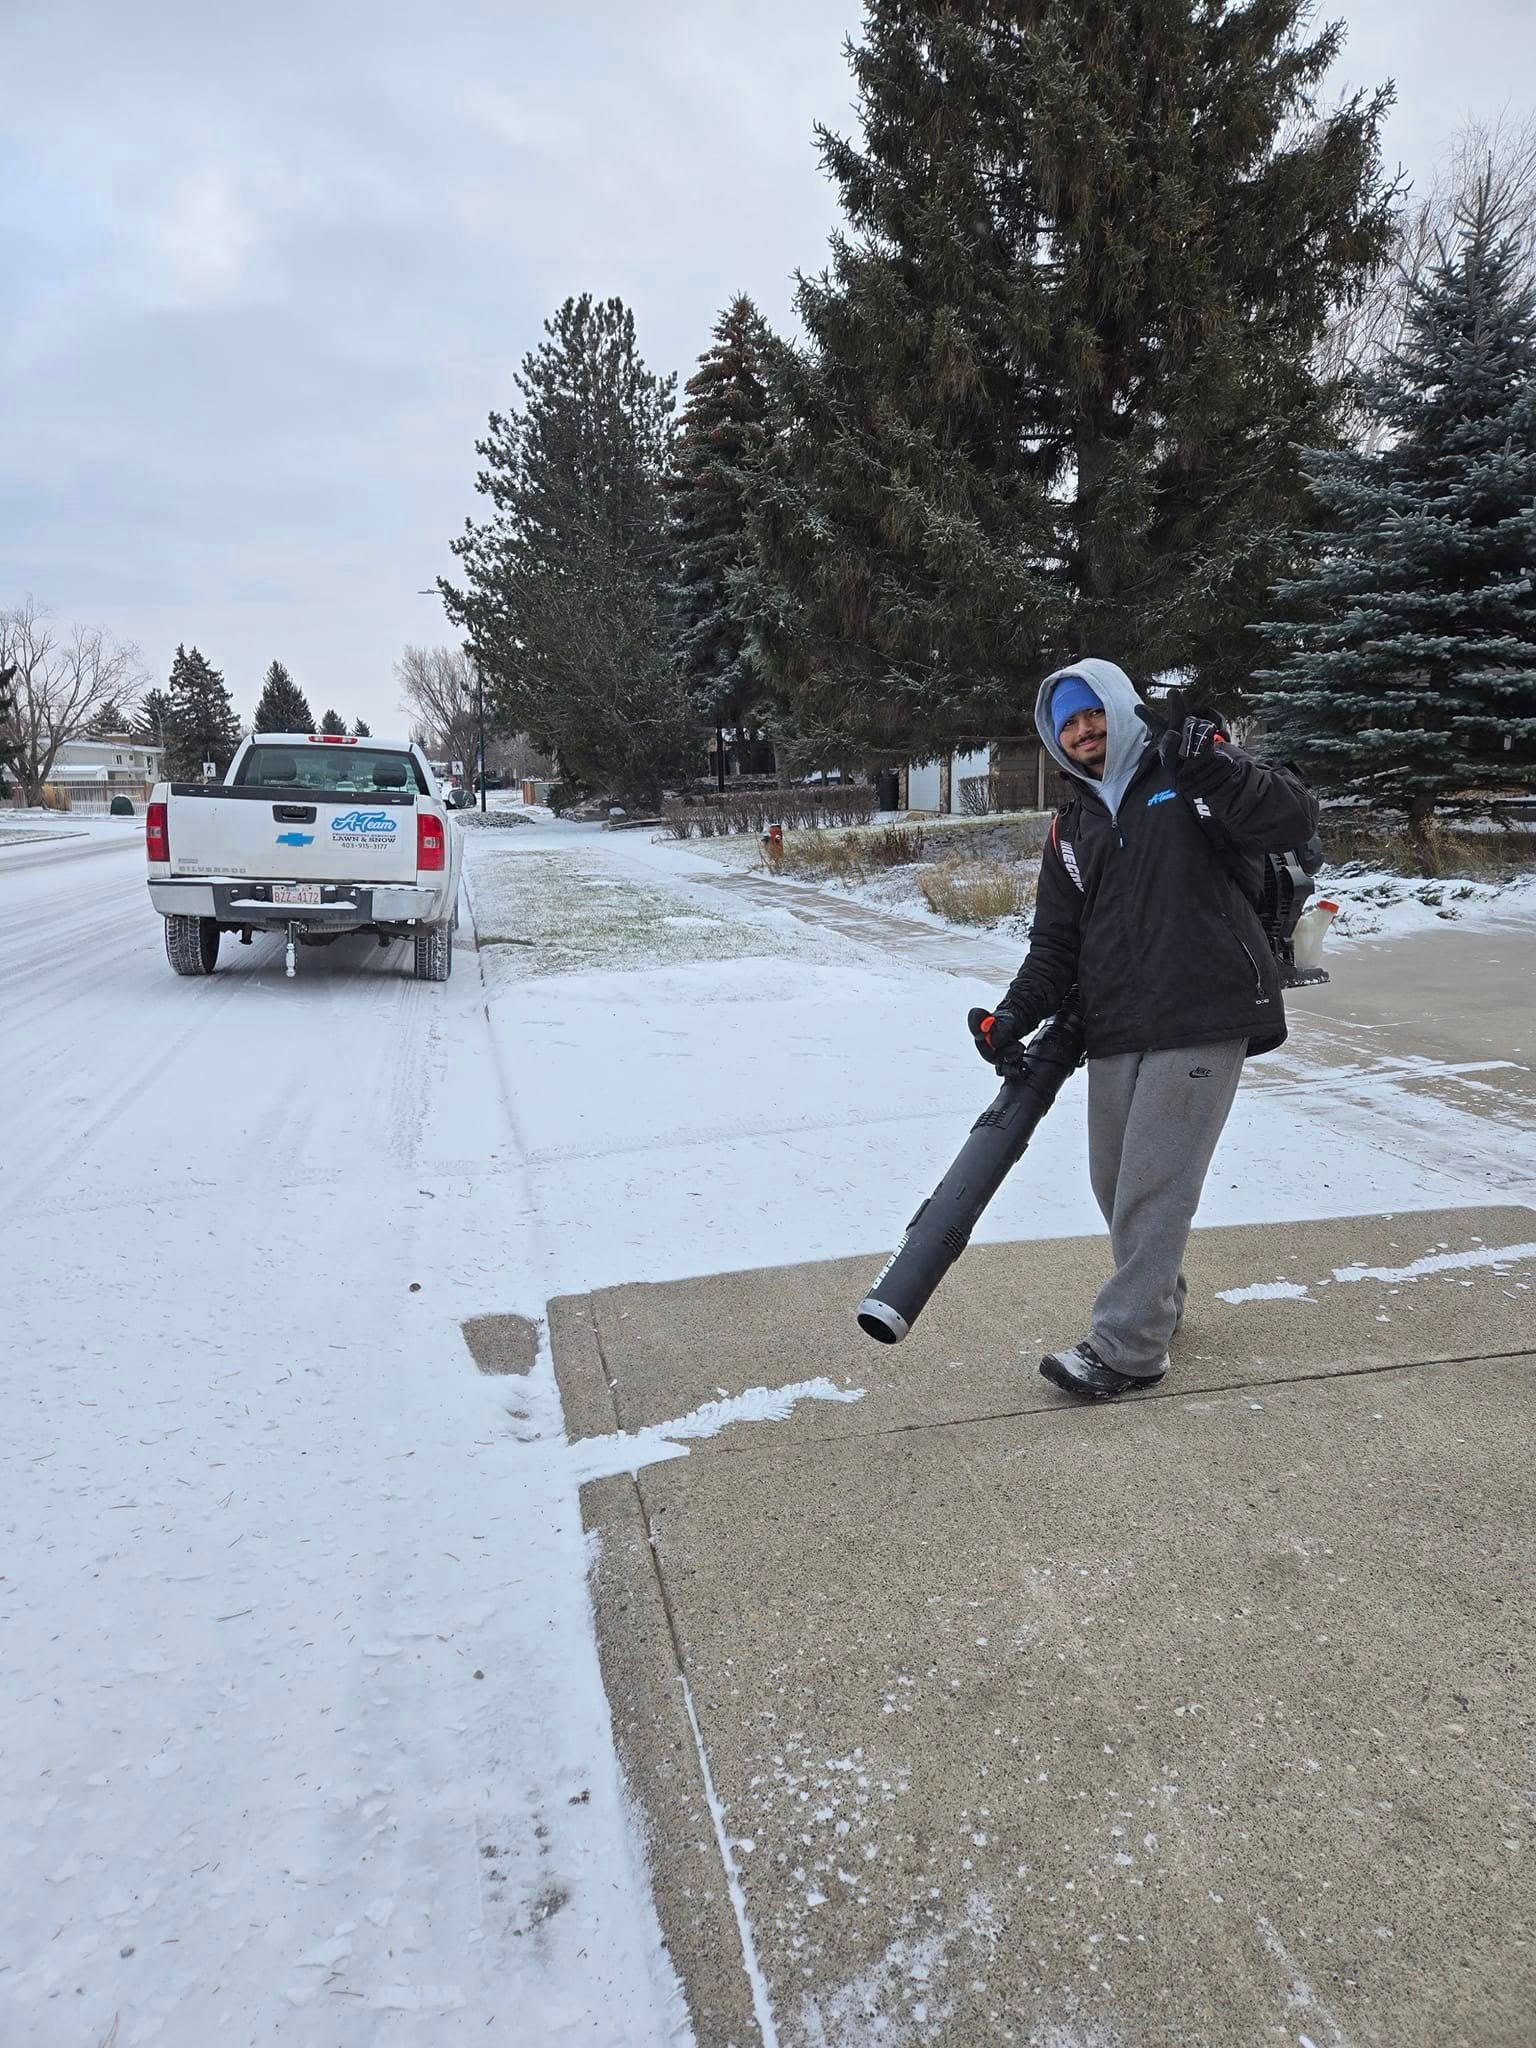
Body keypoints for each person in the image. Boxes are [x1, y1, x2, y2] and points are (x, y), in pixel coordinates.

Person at [969, 656, 1318, 1399]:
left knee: (1156, 1185)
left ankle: (1127, 1350)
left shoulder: (1189, 773)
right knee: (1116, 1182)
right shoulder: (1072, 825)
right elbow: (1056, 945)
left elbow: (1291, 816)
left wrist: (1213, 764)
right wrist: (1012, 1016)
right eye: (1067, 721)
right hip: (1118, 1023)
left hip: (1205, 1008)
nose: (1083, 729)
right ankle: (1156, 1301)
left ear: (1122, 708)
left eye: (1093, 712)